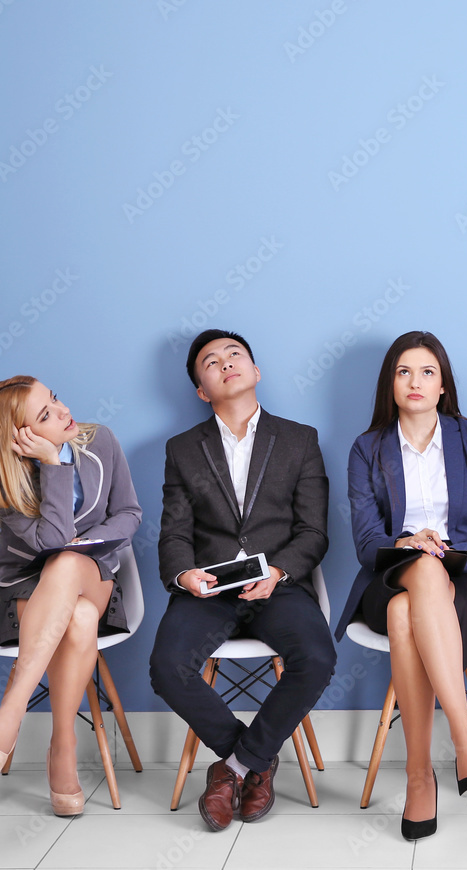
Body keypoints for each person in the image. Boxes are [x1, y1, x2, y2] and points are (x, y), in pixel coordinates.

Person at [334, 331, 467, 841]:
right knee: (418, 571)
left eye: (427, 372)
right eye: (403, 372)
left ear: (443, 386)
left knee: (407, 615)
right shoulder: (367, 448)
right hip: (390, 574)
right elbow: (365, 542)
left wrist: (447, 553)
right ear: (390, 384)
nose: (415, 382)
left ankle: (419, 775)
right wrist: (411, 546)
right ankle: (465, 739)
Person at [149, 329, 335, 832]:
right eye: (211, 362)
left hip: (278, 585)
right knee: (167, 667)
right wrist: (184, 574)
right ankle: (256, 760)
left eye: (235, 355)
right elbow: (174, 532)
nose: (225, 362)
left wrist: (278, 572)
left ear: (255, 371)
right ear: (201, 390)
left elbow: (314, 531)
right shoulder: (182, 448)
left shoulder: (300, 439)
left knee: (317, 658)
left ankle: (231, 770)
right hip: (209, 590)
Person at [0, 376, 142, 816]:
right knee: (80, 616)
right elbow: (51, 541)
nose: (65, 412)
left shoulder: (100, 440)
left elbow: (129, 513)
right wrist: (53, 465)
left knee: (69, 566)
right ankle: (62, 746)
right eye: (45, 415)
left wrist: (88, 546)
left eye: (56, 399)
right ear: (18, 436)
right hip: (25, 589)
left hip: (93, 573)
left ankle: (8, 718)